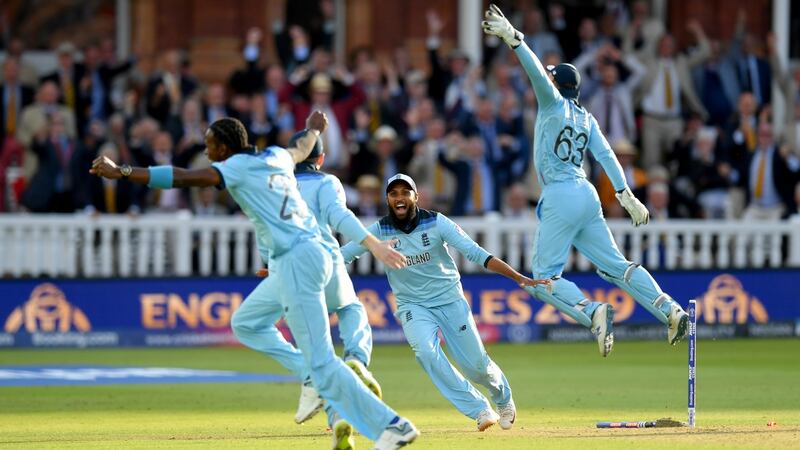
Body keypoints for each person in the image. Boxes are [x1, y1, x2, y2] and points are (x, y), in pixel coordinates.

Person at [89, 111, 420, 450]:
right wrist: (314, 128)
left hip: (296, 261)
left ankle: (391, 426)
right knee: (246, 322)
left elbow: (183, 177)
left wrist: (124, 172)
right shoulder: (276, 155)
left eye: (209, 145)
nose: (206, 152)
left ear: (224, 147)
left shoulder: (233, 167)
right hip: (311, 255)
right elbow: (303, 147)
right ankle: (315, 378)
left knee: (323, 361)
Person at [481, 4, 690, 357]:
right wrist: (626, 195)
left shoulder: (552, 103)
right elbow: (607, 155)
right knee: (616, 266)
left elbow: (535, 74)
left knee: (542, 279)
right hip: (587, 194)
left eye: (552, 79)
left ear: (557, 84)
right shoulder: (586, 118)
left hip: (561, 195)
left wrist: (514, 39)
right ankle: (669, 309)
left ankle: (592, 312)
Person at [340, 173, 551, 432]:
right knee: (426, 353)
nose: (399, 198)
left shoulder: (436, 222)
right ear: (387, 199)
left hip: (449, 299)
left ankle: (503, 398)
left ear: (415, 196)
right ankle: (480, 409)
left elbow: (475, 252)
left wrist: (517, 276)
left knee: (476, 367)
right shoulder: (378, 231)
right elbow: (343, 255)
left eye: (405, 192)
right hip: (412, 305)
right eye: (393, 193)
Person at [230, 129, 397, 449]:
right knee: (351, 309)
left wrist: (268, 260)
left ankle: (330, 406)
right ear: (321, 159)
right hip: (325, 263)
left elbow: (261, 229)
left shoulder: (276, 184)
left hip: (286, 271)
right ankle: (357, 361)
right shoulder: (327, 182)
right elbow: (339, 216)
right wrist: (373, 244)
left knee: (253, 326)